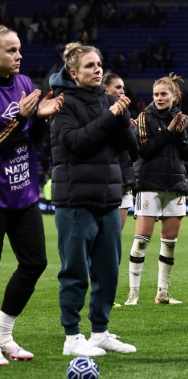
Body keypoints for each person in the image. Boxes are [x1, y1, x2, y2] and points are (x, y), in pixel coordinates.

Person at [49, 42, 136, 357]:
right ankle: (72, 337)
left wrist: (121, 117)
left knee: (108, 271)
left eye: (99, 64)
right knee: (74, 272)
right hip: (75, 201)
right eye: (89, 66)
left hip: (108, 199)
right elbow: (76, 144)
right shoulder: (63, 103)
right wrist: (111, 116)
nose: (97, 69)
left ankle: (100, 332)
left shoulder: (109, 101)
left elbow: (131, 148)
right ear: (73, 73)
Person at [0, 25, 63, 362]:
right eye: (11, 50)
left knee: (35, 262)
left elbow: (31, 139)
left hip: (22, 192)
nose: (19, 55)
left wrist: (40, 119)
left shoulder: (24, 84)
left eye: (19, 49)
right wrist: (20, 118)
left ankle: (4, 335)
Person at [124, 73, 188, 307]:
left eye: (164, 94)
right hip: (149, 184)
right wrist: (168, 133)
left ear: (174, 96)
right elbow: (143, 151)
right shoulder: (145, 117)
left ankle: (162, 293)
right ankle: (133, 293)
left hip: (175, 185)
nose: (159, 98)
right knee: (142, 240)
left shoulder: (184, 119)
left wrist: (179, 135)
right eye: (156, 94)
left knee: (170, 243)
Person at [101, 74, 137, 233]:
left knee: (115, 236)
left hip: (124, 178)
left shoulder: (125, 115)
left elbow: (132, 150)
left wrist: (130, 130)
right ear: (105, 88)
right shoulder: (97, 112)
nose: (122, 92)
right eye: (118, 87)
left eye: (123, 88)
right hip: (104, 180)